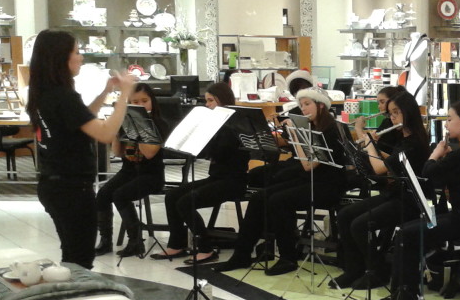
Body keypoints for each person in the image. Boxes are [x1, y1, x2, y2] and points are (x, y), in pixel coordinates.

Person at [26, 29, 137, 269]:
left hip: (53, 185)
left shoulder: (44, 93)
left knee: (72, 253)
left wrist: (106, 92)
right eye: (76, 52)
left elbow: (81, 120)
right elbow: (106, 133)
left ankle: (69, 298)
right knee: (81, 258)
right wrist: (125, 96)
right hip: (72, 190)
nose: (81, 58)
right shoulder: (63, 96)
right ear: (60, 58)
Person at [215, 87, 347, 274]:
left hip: (328, 185)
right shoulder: (312, 127)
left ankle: (288, 257)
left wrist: (295, 135)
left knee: (279, 201)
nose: (303, 109)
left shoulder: (330, 130)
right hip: (311, 180)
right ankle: (242, 254)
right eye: (301, 105)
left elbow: (308, 165)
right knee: (259, 198)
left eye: (307, 104)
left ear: (321, 106)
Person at [381, 100, 460, 300]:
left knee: (406, 234)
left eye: (450, 119)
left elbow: (428, 173)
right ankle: (408, 290)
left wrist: (435, 154)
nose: (447, 124)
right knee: (410, 230)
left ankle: (405, 298)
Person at [331, 90, 429, 289]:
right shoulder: (404, 138)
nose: (392, 119)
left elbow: (380, 168)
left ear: (408, 113)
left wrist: (367, 142)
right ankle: (354, 269)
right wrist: (372, 145)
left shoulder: (415, 143)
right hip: (394, 194)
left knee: (359, 224)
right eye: (391, 114)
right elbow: (389, 158)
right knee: (345, 215)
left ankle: (377, 270)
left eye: (396, 113)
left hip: (410, 201)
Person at [151, 82, 250, 264]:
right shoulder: (217, 125)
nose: (207, 105)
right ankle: (177, 244)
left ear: (223, 101)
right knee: (172, 196)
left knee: (186, 202)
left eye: (211, 101)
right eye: (207, 101)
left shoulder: (236, 125)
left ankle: (206, 248)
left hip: (233, 181)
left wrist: (207, 136)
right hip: (216, 177)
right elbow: (207, 155)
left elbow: (219, 154)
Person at [95, 82, 171, 258]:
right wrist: (115, 129)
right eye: (134, 103)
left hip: (151, 175)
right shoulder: (126, 121)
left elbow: (149, 153)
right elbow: (118, 152)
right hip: (128, 171)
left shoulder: (159, 124)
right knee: (103, 194)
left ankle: (135, 242)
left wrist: (140, 126)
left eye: (144, 101)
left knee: (120, 195)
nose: (140, 106)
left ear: (152, 101)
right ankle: (105, 241)